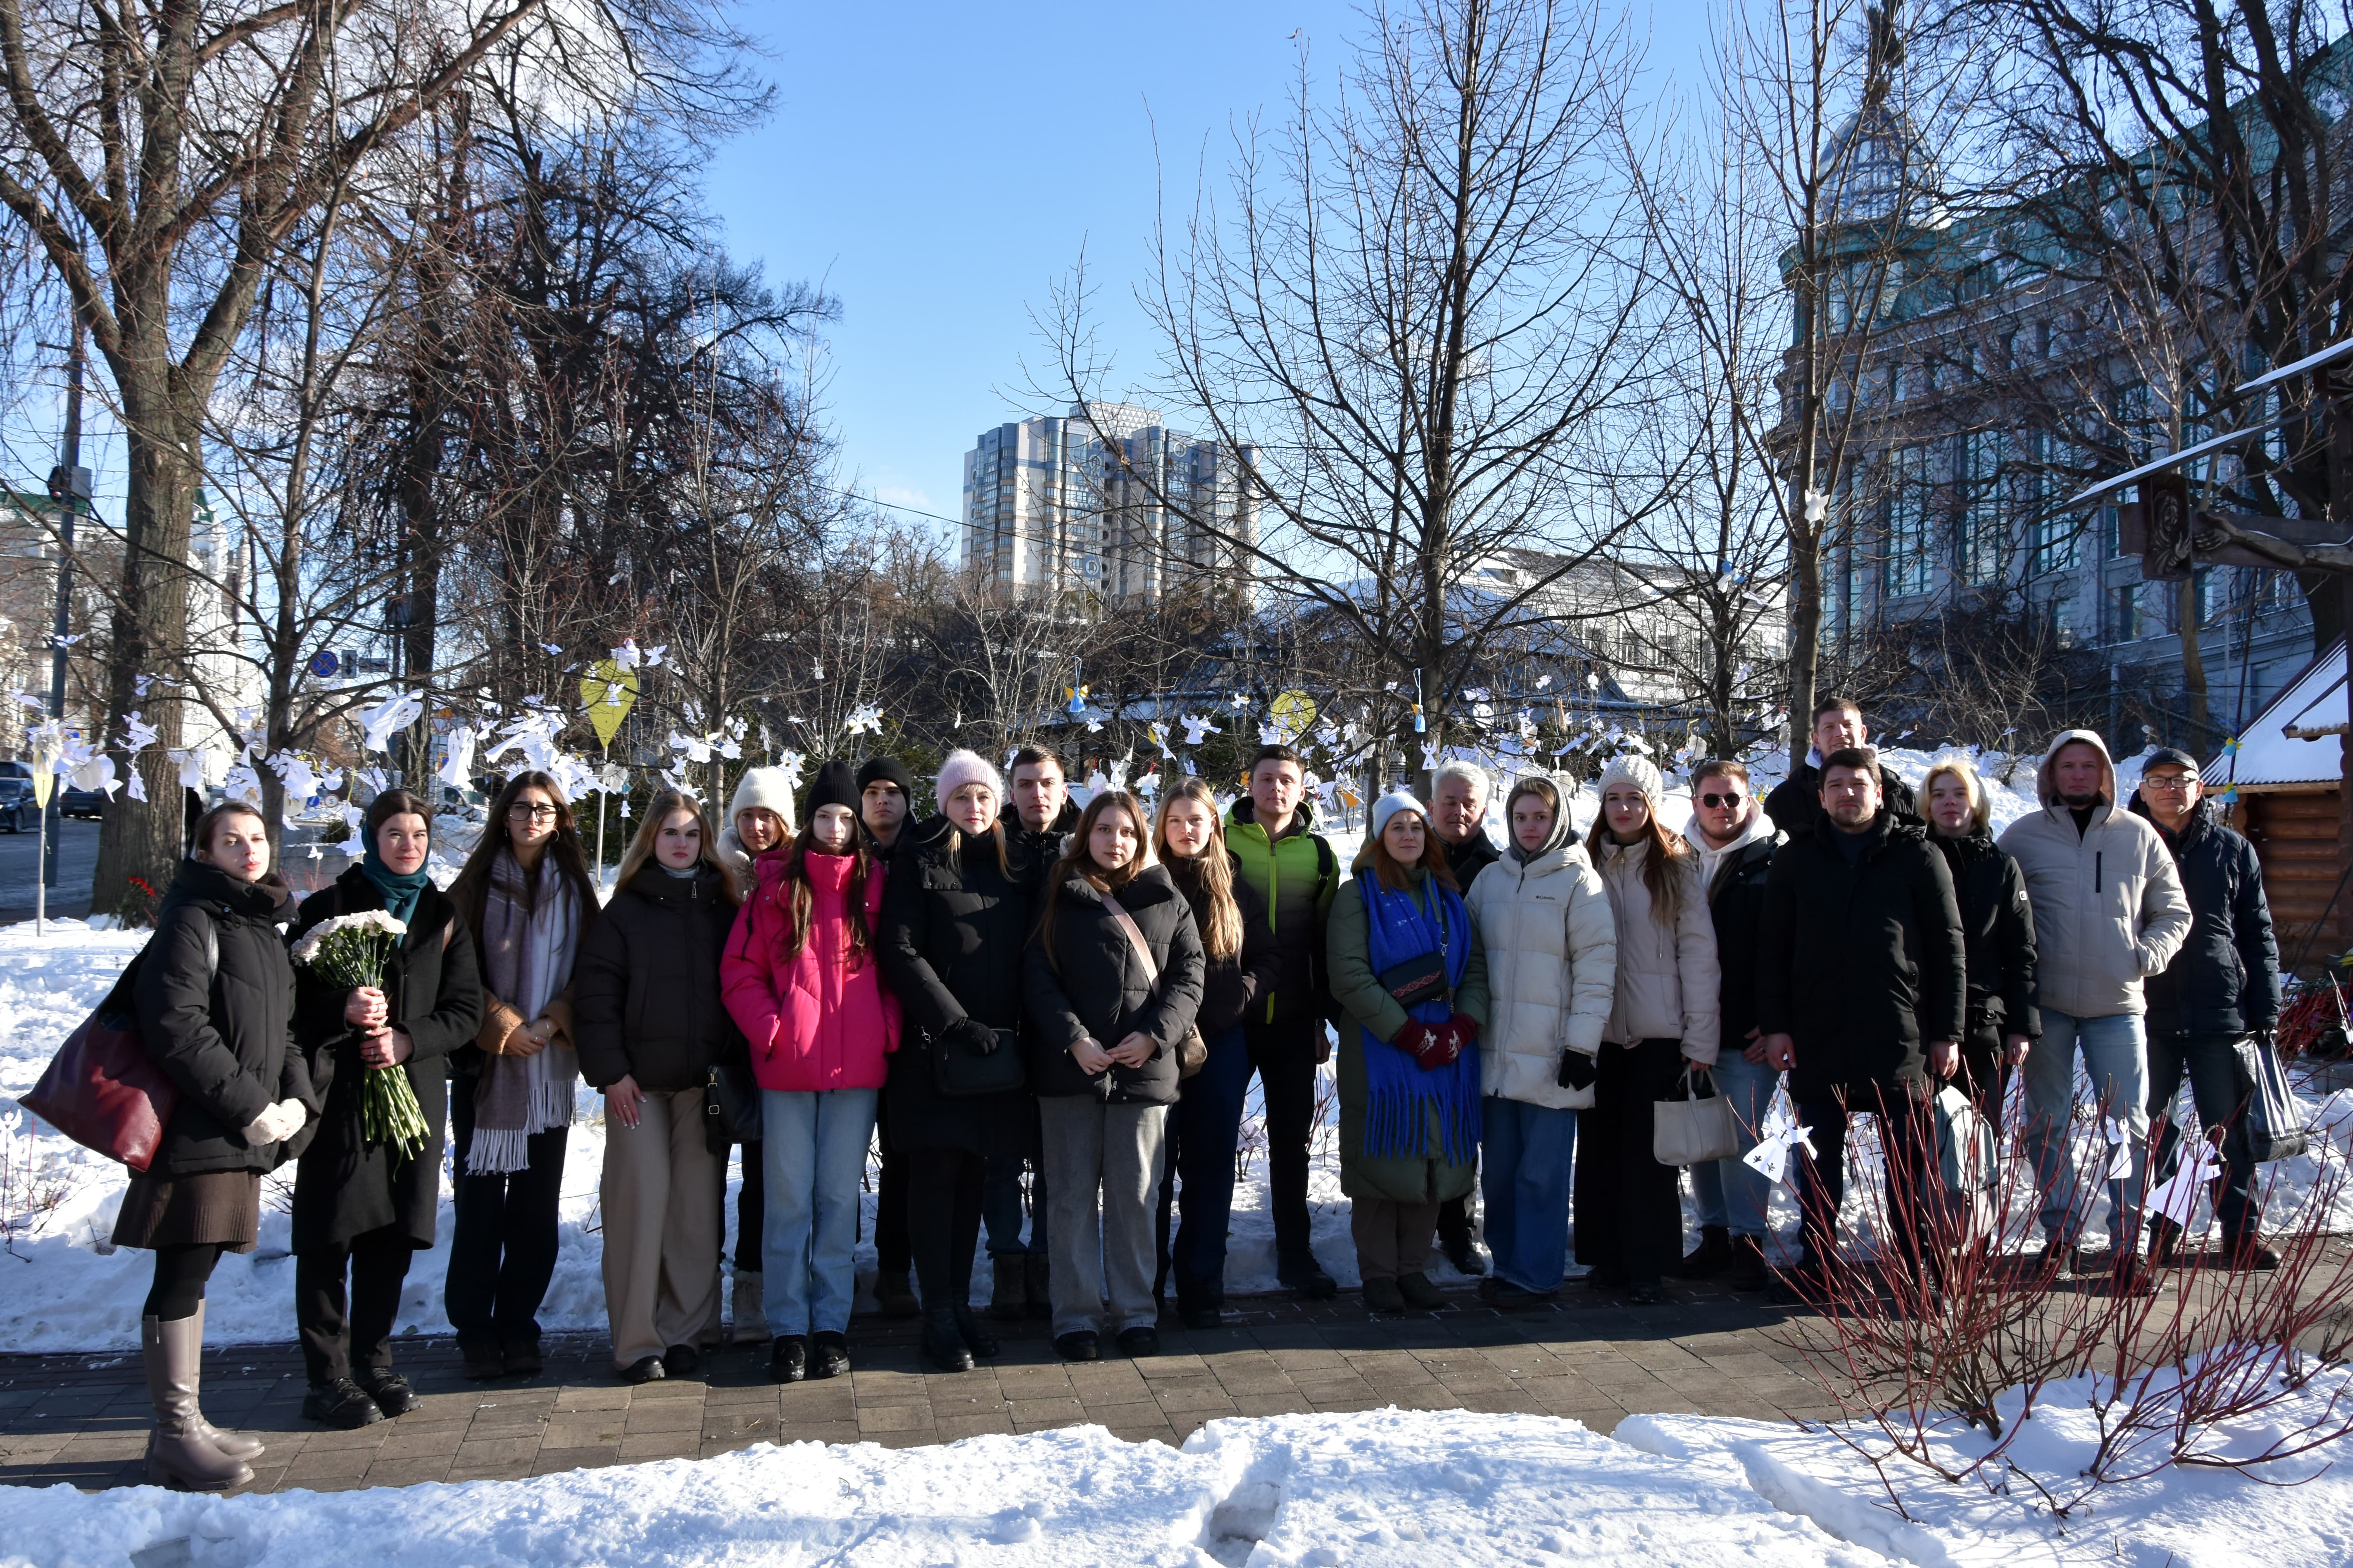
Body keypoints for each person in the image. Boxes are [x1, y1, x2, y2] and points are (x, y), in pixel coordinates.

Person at [116, 802, 316, 1490]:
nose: (248, 849)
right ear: (204, 853)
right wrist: (251, 1106)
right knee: (181, 1269)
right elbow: (176, 1027)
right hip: (197, 1128)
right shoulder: (192, 919)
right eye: (231, 841)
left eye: (257, 838)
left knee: (195, 1273)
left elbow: (283, 1030)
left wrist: (295, 1101)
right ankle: (173, 1437)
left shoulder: (257, 925)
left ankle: (190, 1423)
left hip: (237, 1129)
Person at [290, 790, 484, 1429]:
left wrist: (408, 1039)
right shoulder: (328, 910)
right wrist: (339, 1011)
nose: (408, 846)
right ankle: (327, 1377)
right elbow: (286, 1006)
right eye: (395, 834)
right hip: (340, 1096)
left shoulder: (442, 914)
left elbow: (465, 1011)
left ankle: (374, 1360)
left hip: (414, 1097)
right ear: (372, 839)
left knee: (391, 1235)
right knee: (332, 1232)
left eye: (419, 836)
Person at [1757, 750, 1967, 1305]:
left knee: (1908, 1164)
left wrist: (1948, 1032)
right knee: (1818, 1161)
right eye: (1836, 785)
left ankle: (1918, 1269)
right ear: (1821, 795)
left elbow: (1949, 950)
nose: (1847, 793)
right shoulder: (1797, 859)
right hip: (1816, 1032)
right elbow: (1772, 951)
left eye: (1858, 784)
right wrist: (1776, 1026)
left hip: (1899, 1034)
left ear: (1879, 791)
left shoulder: (1918, 855)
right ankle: (1818, 1262)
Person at [723, 760, 901, 1383]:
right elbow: (739, 973)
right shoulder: (776, 888)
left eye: (844, 817)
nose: (832, 827)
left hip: (857, 1070)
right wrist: (771, 1029)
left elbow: (897, 965)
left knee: (836, 1199)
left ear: (856, 825)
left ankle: (831, 1325)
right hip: (787, 1070)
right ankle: (788, 1327)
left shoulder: (876, 886)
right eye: (822, 815)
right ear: (808, 821)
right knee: (789, 1201)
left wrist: (887, 1025)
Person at [1998, 731, 2190, 1291]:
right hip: (2047, 1007)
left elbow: (2172, 911)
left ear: (2104, 774)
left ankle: (2127, 1244)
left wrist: (2144, 954)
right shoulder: (2023, 837)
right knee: (2046, 1123)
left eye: (2089, 766)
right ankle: (2059, 1234)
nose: (2078, 776)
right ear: (2051, 775)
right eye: (2067, 767)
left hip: (2117, 1005)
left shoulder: (2137, 836)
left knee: (2126, 1128)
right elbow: (1995, 911)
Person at [1025, 789, 1205, 1359]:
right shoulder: (1058, 892)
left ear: (1140, 837)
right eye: (1103, 830)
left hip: (1143, 1073)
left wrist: (1155, 1036)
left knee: (1135, 1197)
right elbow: (1035, 974)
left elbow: (1188, 978)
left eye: (1126, 831)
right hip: (1070, 1071)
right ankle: (1074, 1316)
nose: (1115, 841)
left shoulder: (1166, 897)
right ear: (1086, 835)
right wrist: (1073, 1039)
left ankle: (1134, 1313)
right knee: (1070, 1198)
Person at [876, 750, 1039, 1373]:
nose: (973, 808)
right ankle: (936, 1313)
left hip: (995, 1055)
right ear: (942, 803)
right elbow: (900, 948)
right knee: (935, 1180)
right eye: (961, 797)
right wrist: (953, 1021)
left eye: (982, 797)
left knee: (974, 1179)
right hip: (933, 1053)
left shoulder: (1012, 863)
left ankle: (962, 1306)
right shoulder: (918, 861)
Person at [575, 790, 742, 1383]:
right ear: (650, 840)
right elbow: (593, 1001)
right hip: (637, 1090)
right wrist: (610, 1074)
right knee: (638, 1211)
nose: (681, 842)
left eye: (692, 834)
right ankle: (638, 1342)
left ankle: (688, 1332)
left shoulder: (724, 908)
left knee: (694, 1218)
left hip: (703, 1089)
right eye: (670, 832)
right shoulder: (623, 912)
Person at [442, 771, 598, 1381]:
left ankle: (519, 1324)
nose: (532, 818)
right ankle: (474, 1330)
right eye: (520, 808)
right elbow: (450, 972)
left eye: (545, 809)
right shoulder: (474, 887)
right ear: (502, 816)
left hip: (550, 1069)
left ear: (560, 820)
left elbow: (593, 969)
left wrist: (555, 1020)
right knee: (481, 1210)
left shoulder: (577, 891)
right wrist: (506, 1025)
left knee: (535, 1212)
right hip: (489, 1070)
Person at [1326, 790, 1489, 1312]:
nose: (1408, 836)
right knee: (1382, 1152)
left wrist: (1461, 1028)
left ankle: (1413, 1269)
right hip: (1382, 1050)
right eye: (1396, 827)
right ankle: (1378, 1272)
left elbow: (1477, 971)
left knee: (1430, 1157)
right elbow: (1349, 976)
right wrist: (1408, 1035)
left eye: (1416, 827)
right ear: (1379, 837)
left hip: (1445, 1049)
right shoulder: (1358, 896)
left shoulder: (1449, 898)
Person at [1462, 773, 1613, 1307]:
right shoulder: (1490, 881)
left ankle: (1538, 1276)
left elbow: (1597, 972)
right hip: (1495, 1058)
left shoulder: (1579, 881)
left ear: (1560, 821)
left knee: (1542, 1177)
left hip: (1553, 1057)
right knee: (1500, 1176)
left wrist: (1581, 1046)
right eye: (1521, 817)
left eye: (1541, 817)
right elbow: (1471, 962)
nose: (1530, 827)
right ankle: (1508, 1268)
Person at [2130, 747, 2282, 1270]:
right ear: (2143, 788)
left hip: (2221, 1012)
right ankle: (2160, 1235)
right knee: (2157, 1135)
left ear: (2200, 788)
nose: (2170, 788)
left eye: (2182, 779)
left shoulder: (2233, 850)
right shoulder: (2127, 844)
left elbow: (2256, 932)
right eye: (2159, 779)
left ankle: (2239, 1235)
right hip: (2149, 1011)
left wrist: (2266, 1005)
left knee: (2229, 1130)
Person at [1582, 755, 1721, 1305]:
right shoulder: (1584, 860)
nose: (1623, 808)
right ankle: (1607, 1258)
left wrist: (1700, 1039)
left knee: (1649, 1157)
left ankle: (1648, 1265)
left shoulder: (1676, 866)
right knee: (1597, 1152)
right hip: (1595, 1034)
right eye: (1614, 798)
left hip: (1658, 1033)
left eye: (1634, 799)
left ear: (1652, 805)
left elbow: (1699, 954)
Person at [1151, 777, 1280, 1328]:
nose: (1186, 830)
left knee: (1209, 1171)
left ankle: (1202, 1284)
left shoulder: (1235, 887)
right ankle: (1147, 1287)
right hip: (1156, 1045)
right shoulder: (1143, 882)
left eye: (1196, 821)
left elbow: (1271, 956)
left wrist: (1241, 997)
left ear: (1213, 827)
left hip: (1221, 1044)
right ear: (1162, 826)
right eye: (1176, 820)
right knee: (1153, 1175)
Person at [1225, 743, 1345, 1299]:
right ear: (1250, 784)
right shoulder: (1219, 842)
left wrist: (1322, 1021)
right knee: (1210, 1139)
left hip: (1294, 1020)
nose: (1276, 788)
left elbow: (1321, 945)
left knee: (1291, 1145)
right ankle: (1205, 1248)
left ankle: (1295, 1253)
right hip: (1228, 1018)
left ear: (1302, 790)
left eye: (1287, 780)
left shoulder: (1320, 855)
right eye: (1266, 778)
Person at [1674, 758, 1783, 1291]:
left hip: (1748, 1032)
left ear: (1750, 802)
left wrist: (1777, 1023)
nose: (1722, 809)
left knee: (1748, 1139)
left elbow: (1790, 952)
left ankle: (1750, 1242)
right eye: (1711, 799)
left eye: (1732, 799)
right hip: (1692, 1027)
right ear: (1694, 803)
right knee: (1703, 1139)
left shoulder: (1774, 861)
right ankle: (1714, 1236)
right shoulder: (1678, 858)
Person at [991, 744, 1077, 1315]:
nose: (1036, 794)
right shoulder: (989, 844)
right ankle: (1006, 1264)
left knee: (1055, 1154)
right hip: (998, 1017)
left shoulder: (1086, 845)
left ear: (1063, 790)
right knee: (998, 1153)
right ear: (1010, 790)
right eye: (1024, 784)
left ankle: (1046, 1262)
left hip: (1064, 1019)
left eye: (1046, 783)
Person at [713, 765, 796, 1345]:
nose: (757, 825)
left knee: (775, 1176)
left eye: (768, 815)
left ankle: (769, 1285)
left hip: (786, 1045)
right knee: (738, 1174)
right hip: (725, 1045)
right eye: (747, 814)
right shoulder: (714, 872)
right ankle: (744, 1284)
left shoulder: (800, 877)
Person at [1921, 758, 2039, 1128]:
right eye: (1938, 795)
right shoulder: (1909, 860)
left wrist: (2021, 1025)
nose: (1949, 802)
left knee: (1976, 1142)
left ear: (1976, 801)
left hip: (1983, 1020)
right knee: (1917, 1141)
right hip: (1920, 1018)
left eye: (1959, 793)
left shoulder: (2001, 866)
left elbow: (2021, 949)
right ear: (1927, 805)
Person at [1426, 758, 1500, 1276]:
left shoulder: (1499, 867)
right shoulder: (1406, 854)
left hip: (1473, 1015)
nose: (1458, 811)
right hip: (1412, 1014)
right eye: (1449, 801)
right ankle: (1413, 1225)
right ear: (1432, 805)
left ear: (1485, 807)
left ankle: (1458, 1231)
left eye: (1469, 802)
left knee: (1458, 1130)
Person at [858, 756, 921, 1318]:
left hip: (912, 1025)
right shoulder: (840, 853)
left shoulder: (923, 851)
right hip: (846, 1028)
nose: (883, 801)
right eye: (873, 791)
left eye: (892, 791)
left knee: (903, 1155)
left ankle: (894, 1268)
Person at [1762, 695, 1919, 837]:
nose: (1840, 733)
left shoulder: (1900, 793)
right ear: (1816, 739)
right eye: (1829, 727)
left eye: (1847, 725)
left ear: (1863, 734)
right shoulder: (1784, 799)